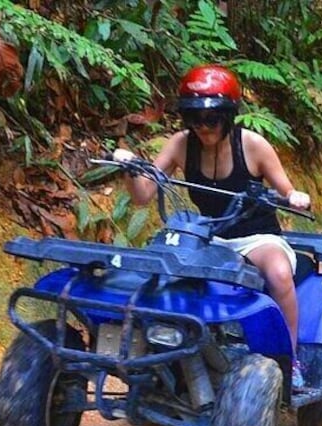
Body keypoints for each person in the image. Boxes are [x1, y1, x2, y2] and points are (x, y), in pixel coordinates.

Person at [114, 64, 311, 385]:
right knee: (164, 271)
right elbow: (143, 195)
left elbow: (287, 190)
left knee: (277, 273)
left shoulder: (252, 144)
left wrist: (294, 196)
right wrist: (132, 169)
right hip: (207, 236)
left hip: (256, 238)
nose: (203, 127)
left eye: (212, 119)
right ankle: (166, 355)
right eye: (194, 118)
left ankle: (291, 358)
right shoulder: (181, 143)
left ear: (228, 115)